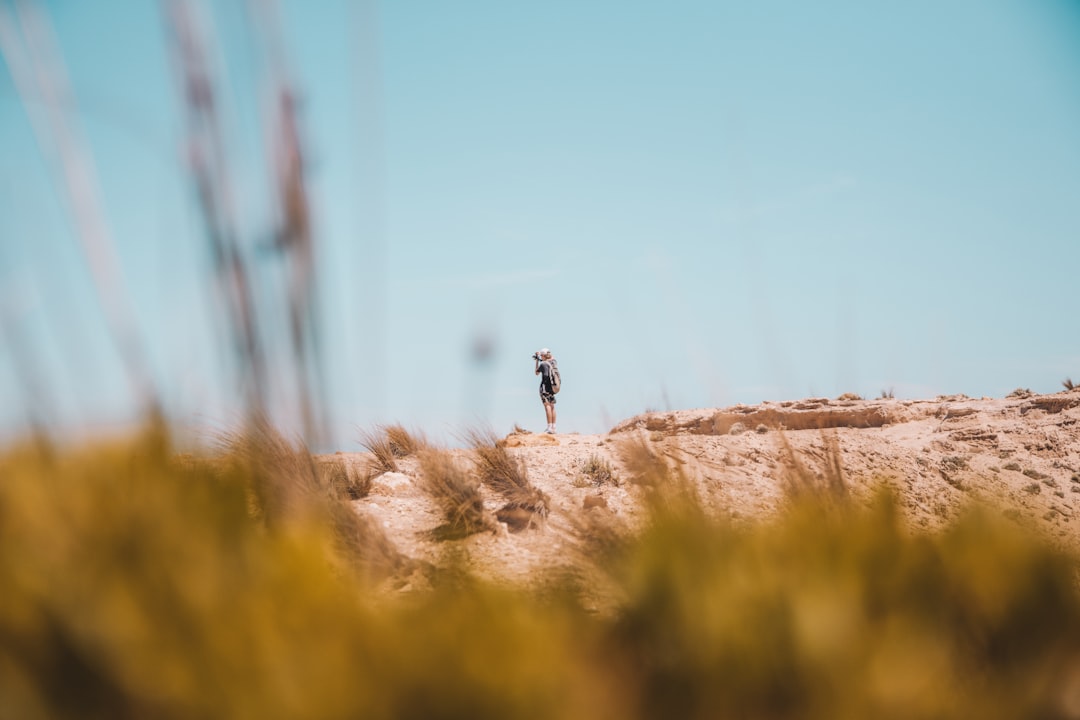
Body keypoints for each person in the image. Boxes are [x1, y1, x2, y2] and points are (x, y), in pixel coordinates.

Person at [534, 348, 558, 434]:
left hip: (544, 388)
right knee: (552, 406)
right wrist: (544, 354)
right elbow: (552, 357)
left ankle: (549, 427)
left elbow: (536, 372)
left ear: (543, 355)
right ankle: (554, 427)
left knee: (547, 406)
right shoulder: (553, 362)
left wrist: (537, 360)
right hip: (552, 388)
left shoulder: (543, 364)